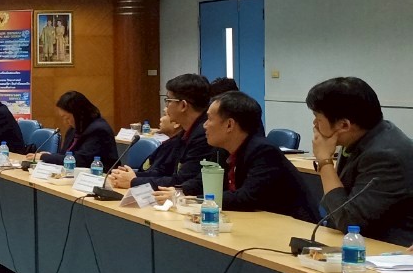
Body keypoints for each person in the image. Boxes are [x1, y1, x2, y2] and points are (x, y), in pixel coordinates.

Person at [156, 92, 313, 221]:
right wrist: (180, 192)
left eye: (209, 119)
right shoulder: (223, 150)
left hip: (294, 226)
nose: (204, 125)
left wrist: (192, 200)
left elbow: (245, 197)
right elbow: (202, 180)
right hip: (258, 221)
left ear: (229, 125)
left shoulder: (263, 151)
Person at [308, 77, 413, 245]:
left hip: (388, 249)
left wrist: (324, 162)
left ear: (344, 125)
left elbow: (349, 221)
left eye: (318, 118)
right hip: (360, 242)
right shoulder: (364, 137)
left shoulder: (385, 156)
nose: (314, 124)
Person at [109, 74, 215, 193]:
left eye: (168, 101)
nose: (166, 107)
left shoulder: (203, 135)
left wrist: (134, 181)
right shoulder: (185, 133)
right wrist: (130, 176)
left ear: (183, 105)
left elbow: (181, 181)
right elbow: (164, 171)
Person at [32, 91, 117, 167]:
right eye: (63, 118)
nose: (65, 122)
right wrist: (51, 156)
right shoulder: (74, 129)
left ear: (79, 114)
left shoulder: (99, 130)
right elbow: (65, 155)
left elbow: (80, 160)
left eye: (67, 118)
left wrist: (46, 157)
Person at [107, 113, 184, 188]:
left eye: (165, 115)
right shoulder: (168, 143)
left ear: (176, 123)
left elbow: (161, 174)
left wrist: (133, 178)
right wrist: (127, 174)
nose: (160, 119)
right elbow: (151, 171)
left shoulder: (177, 147)